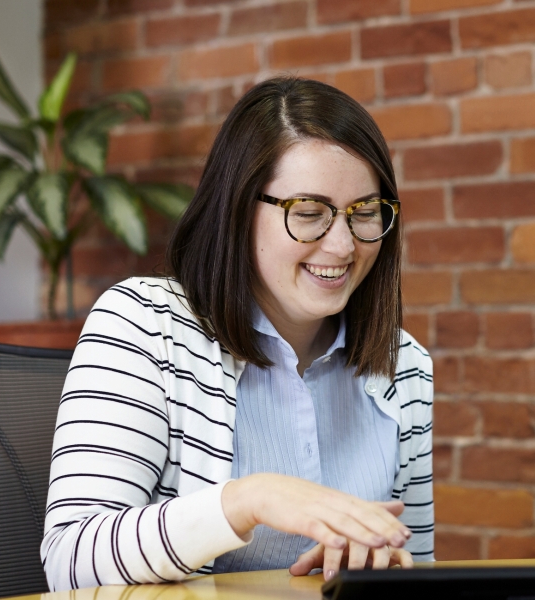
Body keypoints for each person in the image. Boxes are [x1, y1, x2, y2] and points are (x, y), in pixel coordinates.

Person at [42, 77, 434, 592]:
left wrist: (382, 563)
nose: (343, 246)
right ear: (239, 208)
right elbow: (71, 559)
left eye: (364, 214)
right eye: (310, 214)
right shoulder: (143, 323)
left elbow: (421, 571)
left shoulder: (402, 364)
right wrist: (247, 501)